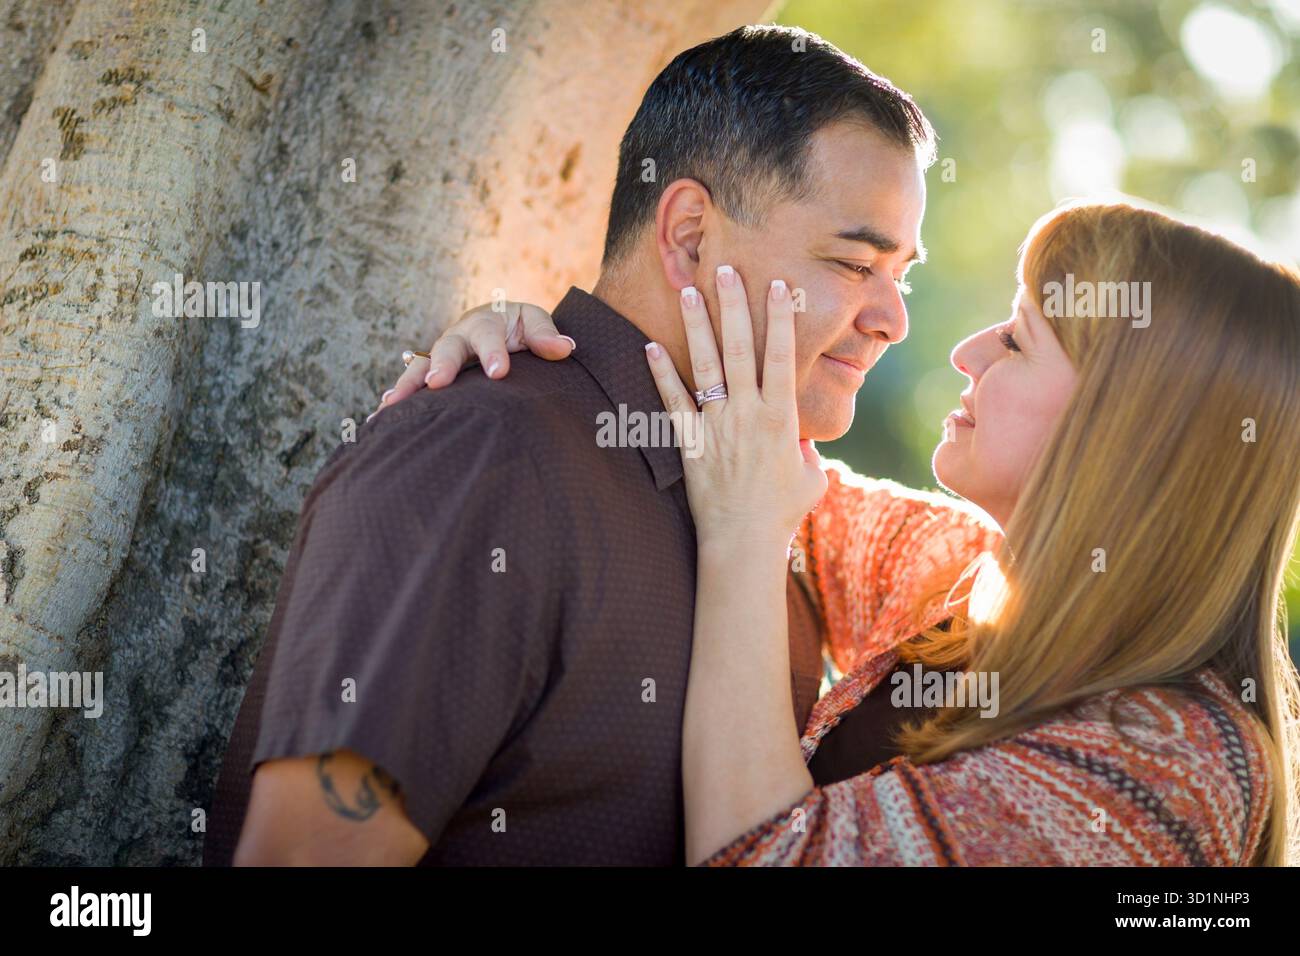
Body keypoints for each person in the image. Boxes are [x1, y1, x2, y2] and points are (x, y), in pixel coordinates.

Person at [203, 24, 988, 866]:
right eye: (853, 263)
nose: (893, 320)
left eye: (900, 277)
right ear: (689, 236)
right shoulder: (482, 458)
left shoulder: (770, 527)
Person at [391, 201, 1300, 865]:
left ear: (1128, 432)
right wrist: (550, 346)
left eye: (1018, 341)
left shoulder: (1168, 765)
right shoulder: (958, 577)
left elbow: (763, 858)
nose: (965, 351)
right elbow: (739, 456)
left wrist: (744, 537)